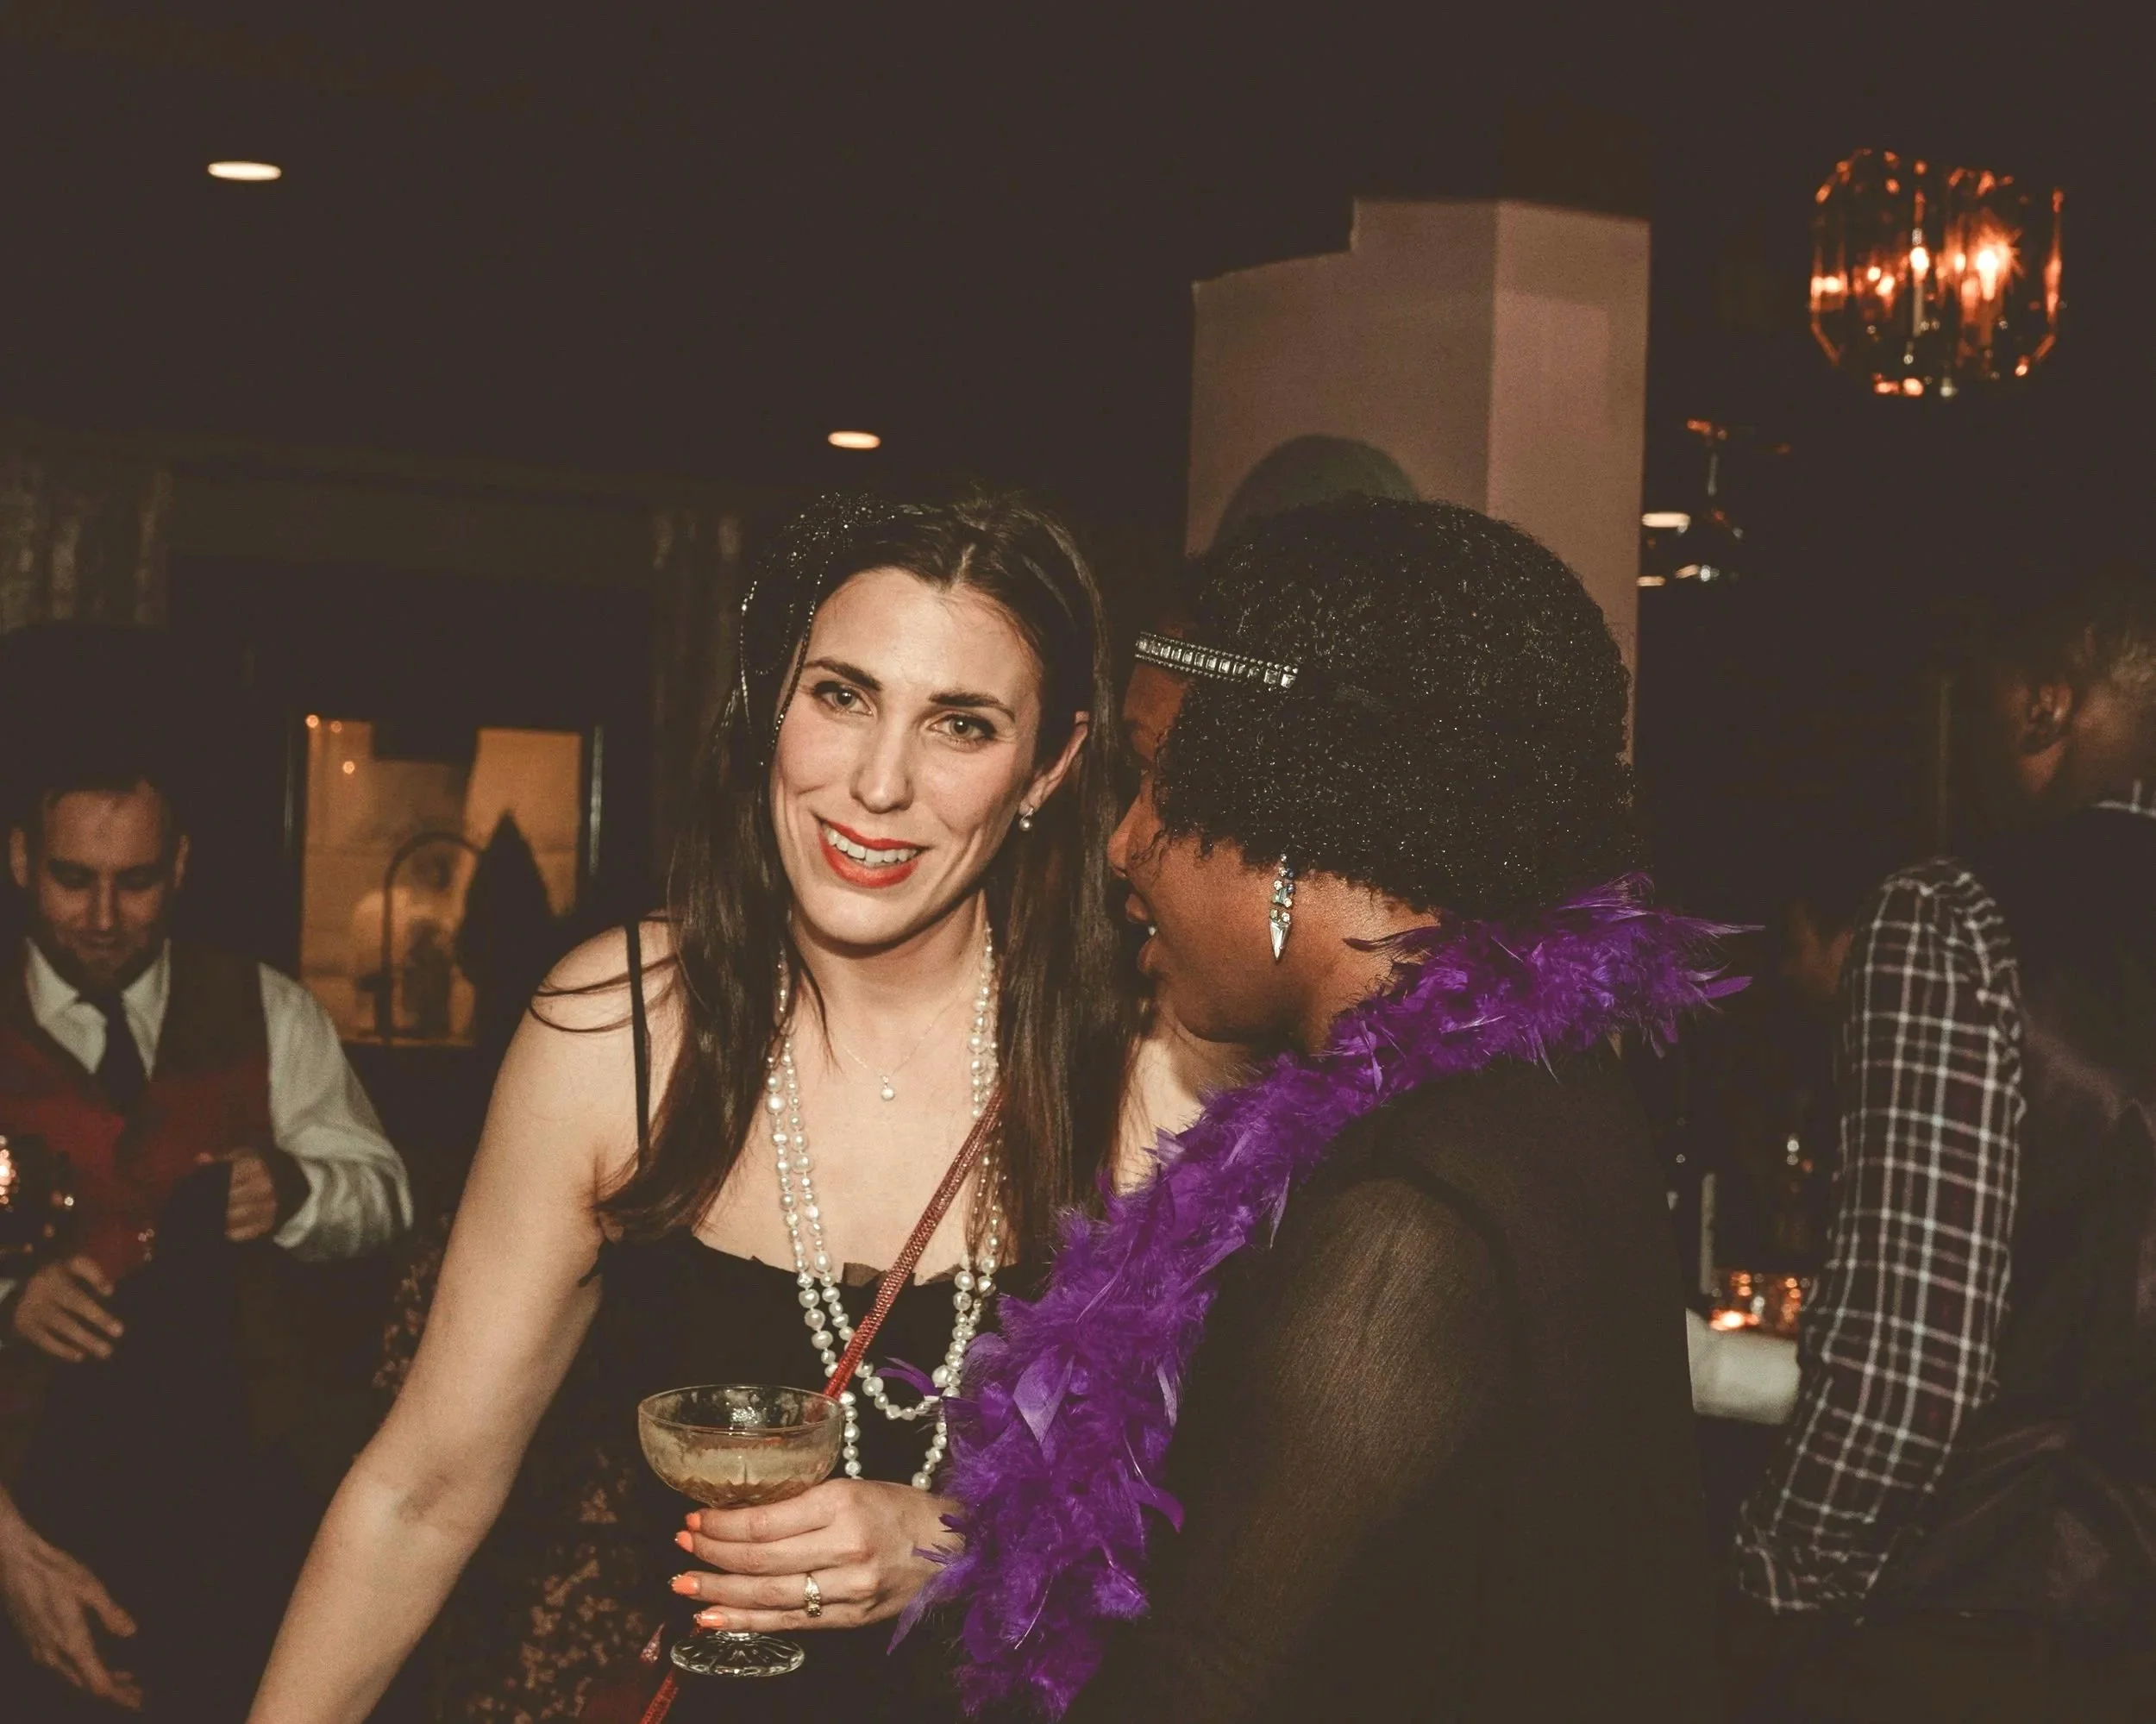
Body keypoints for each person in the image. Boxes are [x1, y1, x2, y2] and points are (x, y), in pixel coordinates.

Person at [247, 492, 1138, 1722]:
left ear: (1051, 766)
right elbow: (426, 1484)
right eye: (842, 695)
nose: (878, 782)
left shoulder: (1139, 1063)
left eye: (962, 724)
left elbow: (1251, 1534)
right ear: (771, 704)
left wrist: (963, 1539)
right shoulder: (620, 1029)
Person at [931, 496, 1729, 1721]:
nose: (1123, 843)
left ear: (1285, 803)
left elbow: (1198, 1687)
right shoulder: (1537, 1083)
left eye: (1152, 779)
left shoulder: (1404, 1225)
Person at [1728, 575, 2156, 1721]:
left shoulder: (1953, 921)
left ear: (2041, 707)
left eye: (1971, 704)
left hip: (1993, 1629)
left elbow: (1910, 1364)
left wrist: (1763, 1590)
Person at [0, 734, 412, 1717]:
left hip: (239, 1484)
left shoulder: (268, 1009)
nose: (103, 916)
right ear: (20, 860)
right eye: (73, 879)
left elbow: (388, 1194)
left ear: (180, 866)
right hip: (28, 1481)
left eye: (137, 882)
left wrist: (300, 1190)